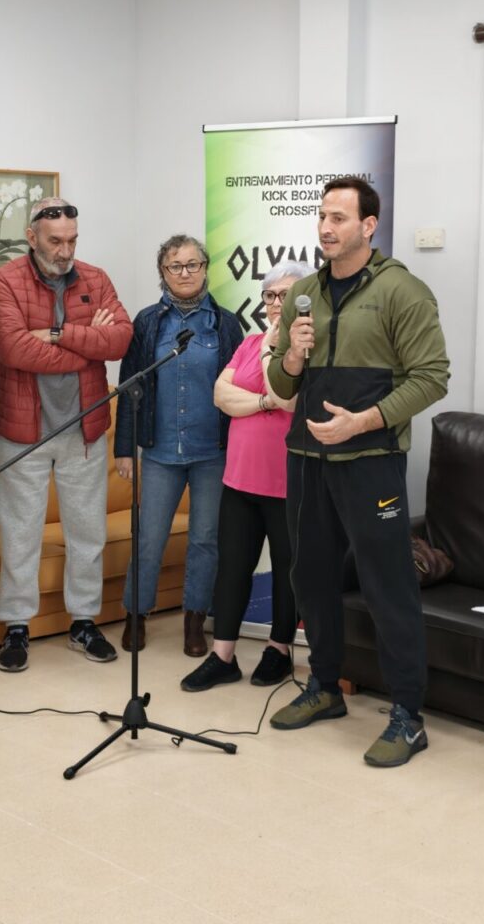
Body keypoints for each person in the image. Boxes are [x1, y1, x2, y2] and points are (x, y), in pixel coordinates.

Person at [267, 176, 450, 767]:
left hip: (370, 462)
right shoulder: (305, 295)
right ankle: (323, 687)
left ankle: (407, 716)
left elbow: (432, 377)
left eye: (339, 218)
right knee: (311, 578)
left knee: (386, 585)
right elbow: (278, 382)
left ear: (368, 226)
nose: (325, 227)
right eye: (322, 216)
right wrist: (291, 355)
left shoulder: (403, 291)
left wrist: (364, 421)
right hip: (307, 460)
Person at [0, 198, 132, 670]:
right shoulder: (4, 281)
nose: (65, 250)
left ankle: (84, 623)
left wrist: (55, 333)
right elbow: (13, 350)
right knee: (21, 532)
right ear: (32, 238)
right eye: (55, 241)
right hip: (22, 430)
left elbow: (120, 340)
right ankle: (16, 627)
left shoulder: (96, 278)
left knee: (87, 532)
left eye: (72, 240)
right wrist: (87, 341)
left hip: (84, 428)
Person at [180, 261, 313, 692]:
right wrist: (261, 401)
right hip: (239, 479)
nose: (276, 304)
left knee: (288, 569)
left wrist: (267, 370)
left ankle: (278, 648)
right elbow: (221, 395)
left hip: (287, 481)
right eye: (271, 296)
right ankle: (223, 656)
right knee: (233, 566)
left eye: (286, 295)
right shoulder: (250, 341)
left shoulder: (308, 349)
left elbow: (289, 400)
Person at [114, 234, 243, 656]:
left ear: (206, 268)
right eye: (175, 266)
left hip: (212, 452)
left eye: (193, 264)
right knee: (149, 538)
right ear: (162, 273)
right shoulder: (148, 322)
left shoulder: (225, 324)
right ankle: (136, 615)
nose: (185, 273)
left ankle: (193, 620)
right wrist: (123, 448)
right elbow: (129, 386)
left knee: (206, 539)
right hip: (160, 452)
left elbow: (239, 386)